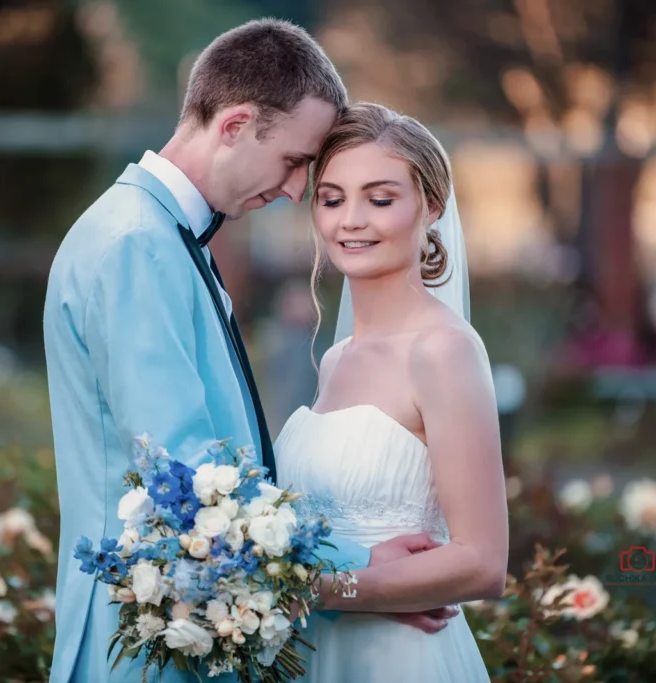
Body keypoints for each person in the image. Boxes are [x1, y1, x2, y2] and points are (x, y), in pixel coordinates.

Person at [42, 21, 457, 683]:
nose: (297, 191)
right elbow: (188, 476)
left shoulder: (164, 239)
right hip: (141, 654)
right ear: (234, 125)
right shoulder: (135, 247)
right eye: (295, 161)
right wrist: (358, 569)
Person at [275, 102, 509, 681]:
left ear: (431, 206)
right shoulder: (333, 361)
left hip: (397, 661)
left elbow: (482, 563)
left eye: (380, 199)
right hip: (309, 655)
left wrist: (321, 592)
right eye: (331, 199)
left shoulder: (444, 351)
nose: (350, 220)